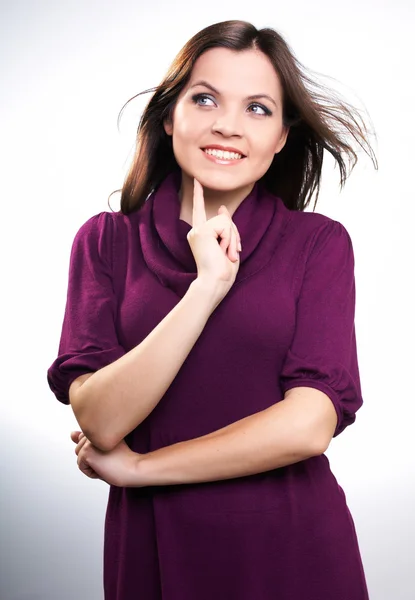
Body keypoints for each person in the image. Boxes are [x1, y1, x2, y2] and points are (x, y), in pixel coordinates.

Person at [47, 19, 377, 600]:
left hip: (290, 548)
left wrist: (143, 469)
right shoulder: (106, 242)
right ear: (170, 115)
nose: (226, 124)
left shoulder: (318, 245)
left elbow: (309, 424)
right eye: (205, 99)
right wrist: (205, 289)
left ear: (280, 137)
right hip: (151, 547)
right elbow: (99, 419)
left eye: (257, 108)